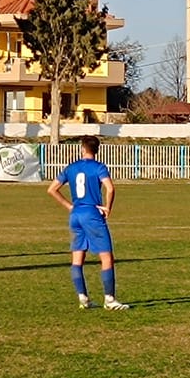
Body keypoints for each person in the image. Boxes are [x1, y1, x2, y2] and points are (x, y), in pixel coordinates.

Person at [49, 133, 127, 310]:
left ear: (82, 149)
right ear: (97, 150)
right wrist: (108, 207)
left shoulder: (71, 167)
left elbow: (52, 189)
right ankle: (110, 299)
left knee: (77, 258)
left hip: (75, 215)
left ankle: (83, 298)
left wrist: (69, 206)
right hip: (92, 214)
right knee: (106, 257)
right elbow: (110, 188)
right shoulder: (99, 167)